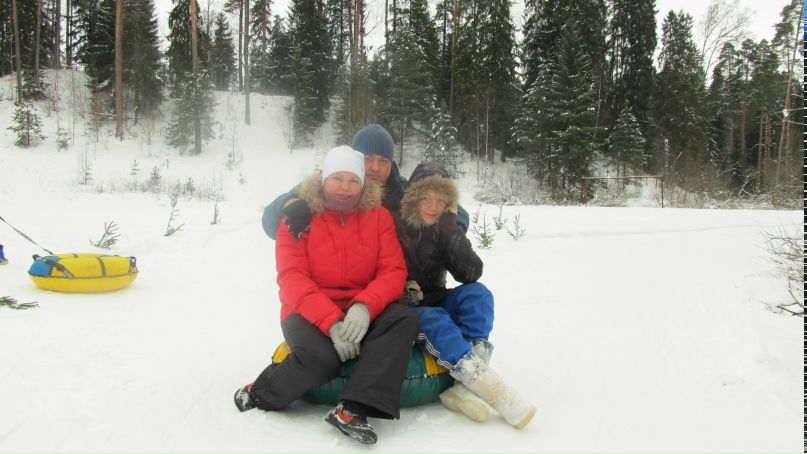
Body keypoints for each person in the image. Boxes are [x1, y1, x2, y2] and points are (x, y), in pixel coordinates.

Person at [234, 146, 419, 445]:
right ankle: (259, 391)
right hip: (305, 309)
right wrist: (331, 323)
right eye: (337, 179)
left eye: (352, 180)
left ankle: (353, 408)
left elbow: (393, 270)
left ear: (363, 184)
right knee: (323, 359)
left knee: (403, 320)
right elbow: (292, 278)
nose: (345, 188)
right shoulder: (298, 217)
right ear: (323, 180)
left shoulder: (379, 217)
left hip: (361, 303)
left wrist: (364, 307)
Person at [397, 161, 536, 429]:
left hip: (436, 298)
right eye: (425, 197)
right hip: (406, 309)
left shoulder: (445, 227)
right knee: (434, 318)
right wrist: (402, 290)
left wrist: (451, 232)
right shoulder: (396, 227)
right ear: (413, 198)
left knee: (478, 295)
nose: (432, 206)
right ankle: (495, 391)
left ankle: (465, 382)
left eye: (441, 199)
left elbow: (471, 273)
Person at [261, 124, 469, 241]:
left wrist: (450, 220)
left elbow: (461, 214)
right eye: (368, 159)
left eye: (383, 161)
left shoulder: (403, 191)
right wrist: (288, 205)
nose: (375, 167)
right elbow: (270, 222)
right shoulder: (329, 186)